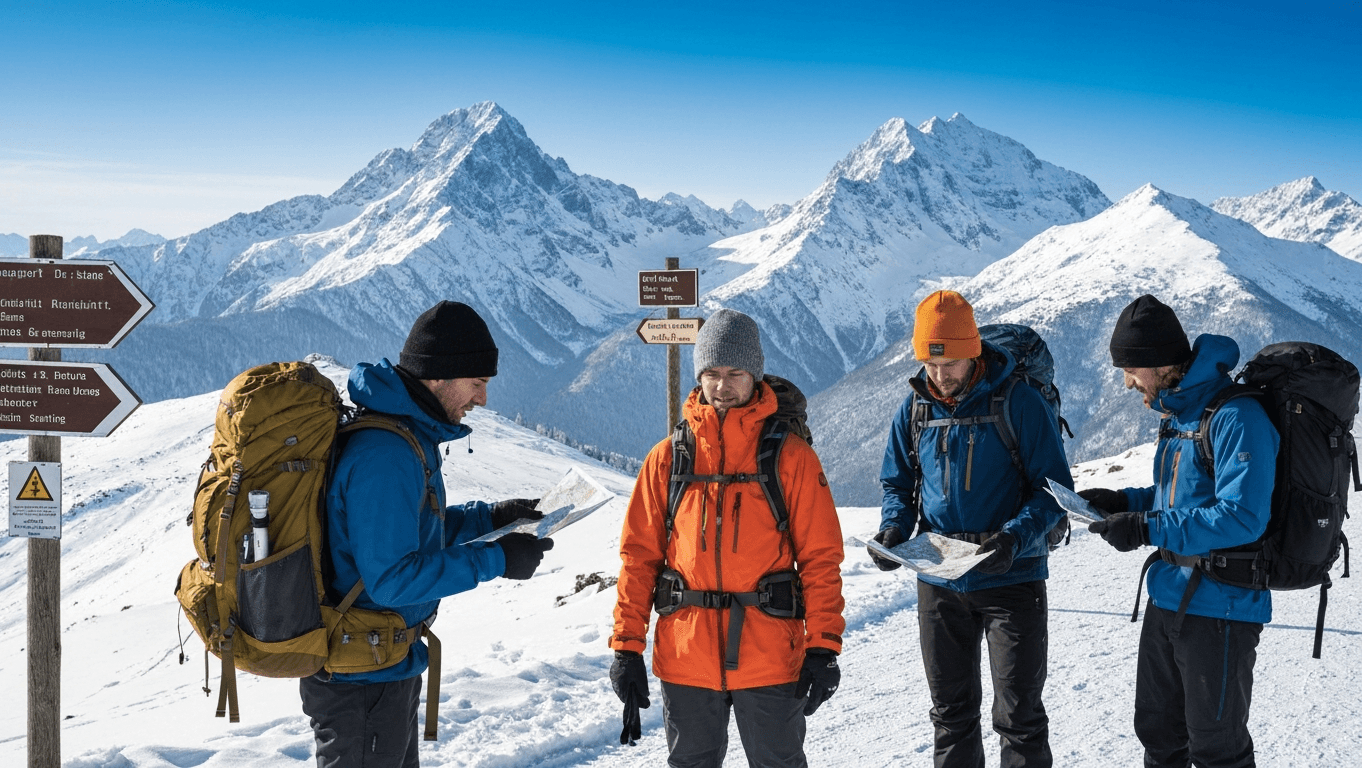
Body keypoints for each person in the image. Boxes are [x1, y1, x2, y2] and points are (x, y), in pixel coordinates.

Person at [299, 299, 556, 768]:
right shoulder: (386, 454)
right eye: (476, 384)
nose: (482, 399)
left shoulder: (406, 435)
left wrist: (491, 517)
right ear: (439, 377)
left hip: (383, 664)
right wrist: (497, 561)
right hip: (361, 683)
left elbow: (413, 530)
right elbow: (393, 577)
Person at [609, 308, 846, 768]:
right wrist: (626, 647)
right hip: (685, 657)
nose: (722, 386)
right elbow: (638, 559)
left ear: (754, 374)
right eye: (712, 373)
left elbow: (821, 559)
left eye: (734, 373)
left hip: (771, 656)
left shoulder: (791, 459)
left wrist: (823, 647)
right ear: (699, 375)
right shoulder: (667, 459)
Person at [870, 290, 1071, 768]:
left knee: (1019, 716)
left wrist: (1013, 539)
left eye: (951, 363)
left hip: (1012, 578)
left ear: (973, 350)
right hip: (939, 581)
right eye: (931, 364)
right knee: (950, 714)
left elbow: (1054, 491)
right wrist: (893, 531)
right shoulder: (915, 409)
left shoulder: (1018, 402)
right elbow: (897, 484)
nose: (940, 377)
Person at [1078, 294, 1278, 768]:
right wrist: (1127, 501)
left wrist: (1146, 527)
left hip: (1222, 604)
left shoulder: (1236, 417)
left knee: (1216, 747)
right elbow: (1181, 497)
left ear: (1161, 363)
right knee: (1159, 733)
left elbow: (1242, 516)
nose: (1127, 383)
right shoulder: (1180, 414)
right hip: (1168, 595)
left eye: (1131, 370)